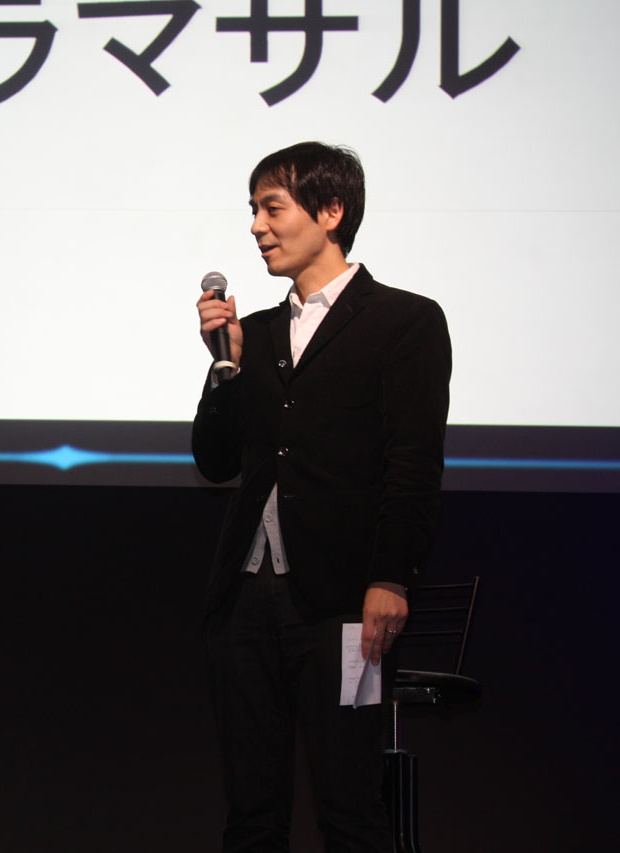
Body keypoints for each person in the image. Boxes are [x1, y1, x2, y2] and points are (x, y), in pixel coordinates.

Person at [192, 142, 451, 851]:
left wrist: (390, 577)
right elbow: (215, 462)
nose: (257, 226)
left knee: (350, 807)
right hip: (246, 598)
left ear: (331, 211)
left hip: (344, 604)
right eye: (253, 210)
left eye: (272, 208)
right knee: (251, 814)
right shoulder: (257, 333)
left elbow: (413, 463)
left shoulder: (404, 320)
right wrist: (223, 369)